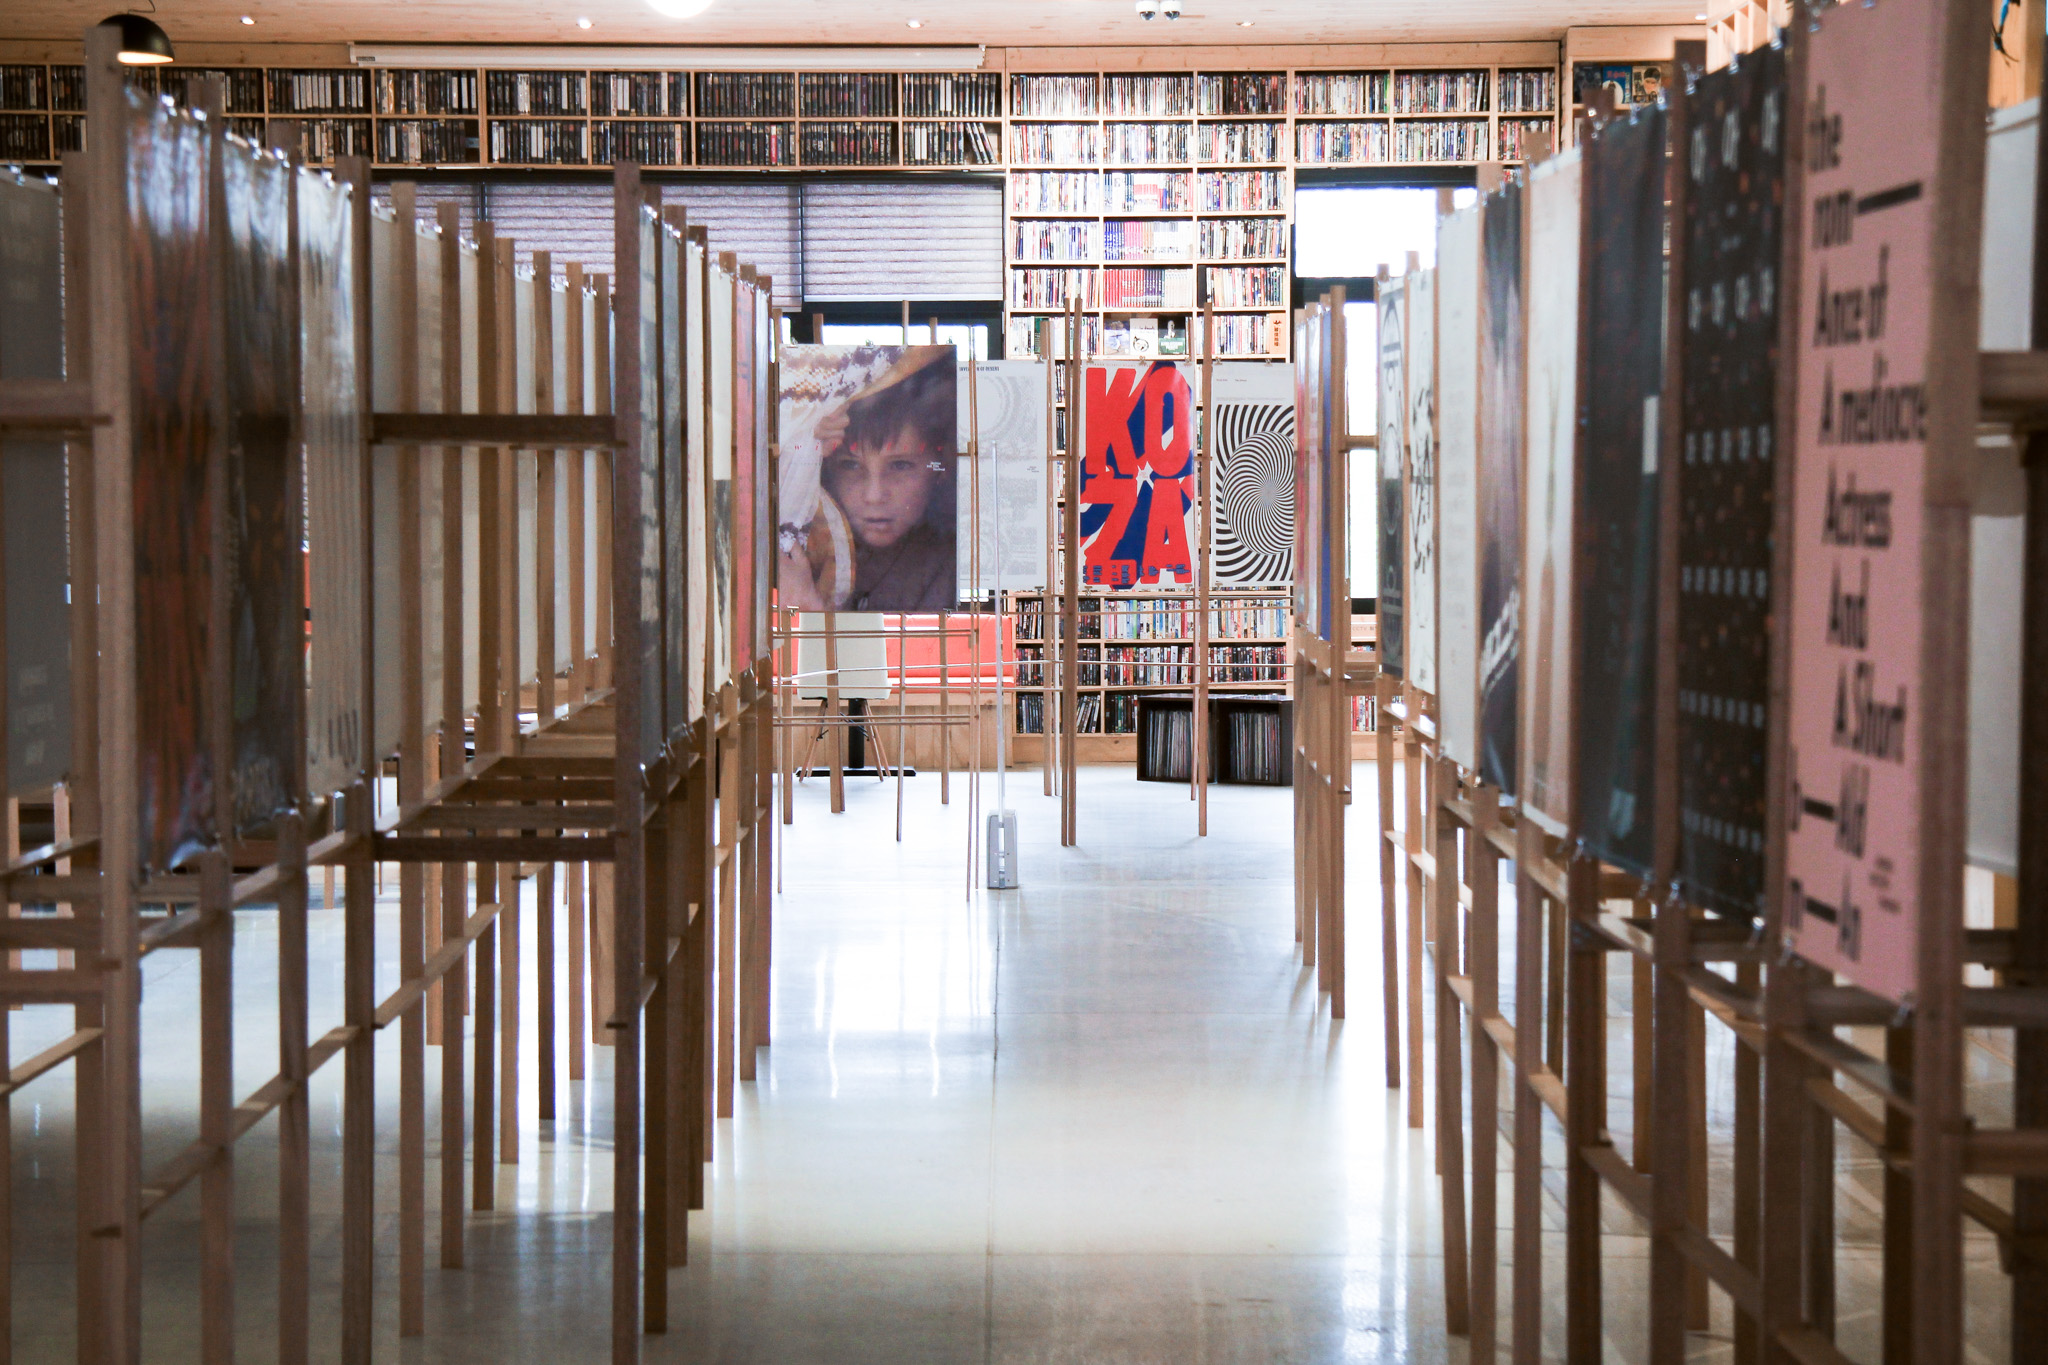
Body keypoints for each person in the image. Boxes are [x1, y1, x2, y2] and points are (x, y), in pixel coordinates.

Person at [780, 349, 957, 611]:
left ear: (941, 467)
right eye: (851, 466)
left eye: (900, 465)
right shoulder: (794, 554)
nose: (874, 495)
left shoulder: (959, 563)